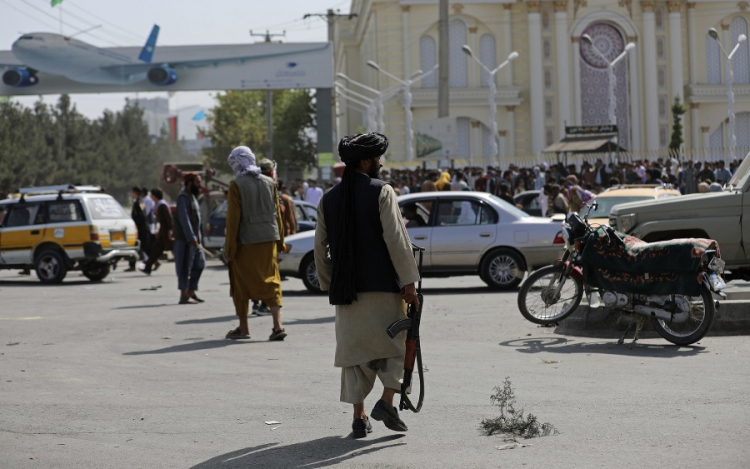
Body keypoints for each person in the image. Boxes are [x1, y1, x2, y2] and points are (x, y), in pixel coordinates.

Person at [314, 132, 420, 439]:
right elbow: (397, 241)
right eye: (378, 159)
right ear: (365, 161)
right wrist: (410, 284)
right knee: (396, 349)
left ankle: (359, 418)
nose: (381, 163)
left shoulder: (328, 198)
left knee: (355, 357)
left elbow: (320, 248)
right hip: (384, 290)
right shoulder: (382, 191)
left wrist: (330, 284)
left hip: (346, 293)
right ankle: (387, 403)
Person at [223, 148, 287, 341]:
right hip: (269, 239)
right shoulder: (269, 182)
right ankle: (277, 326)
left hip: (246, 242)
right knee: (271, 280)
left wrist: (229, 248)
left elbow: (233, 221)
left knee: (240, 284)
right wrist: (281, 241)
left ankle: (243, 328)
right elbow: (277, 215)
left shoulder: (236, 185)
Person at [172, 173, 206, 304]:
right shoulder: (183, 198)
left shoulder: (193, 197)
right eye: (197, 182)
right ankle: (183, 294)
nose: (200, 185)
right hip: (186, 240)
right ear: (189, 183)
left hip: (196, 241)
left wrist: (199, 237)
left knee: (200, 264)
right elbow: (184, 219)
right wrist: (191, 237)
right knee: (185, 267)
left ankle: (191, 290)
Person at [140, 188, 171, 275]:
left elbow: (168, 219)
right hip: (162, 231)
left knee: (166, 248)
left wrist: (169, 230)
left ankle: (149, 266)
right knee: (156, 250)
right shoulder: (157, 204)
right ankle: (148, 267)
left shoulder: (161, 205)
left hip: (165, 231)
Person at [127, 187, 152, 272]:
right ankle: (132, 265)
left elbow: (143, 214)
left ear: (136, 193)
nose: (131, 194)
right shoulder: (137, 202)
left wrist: (136, 223)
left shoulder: (140, 202)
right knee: (136, 246)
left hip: (141, 227)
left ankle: (154, 261)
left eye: (132, 192)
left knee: (144, 246)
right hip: (138, 227)